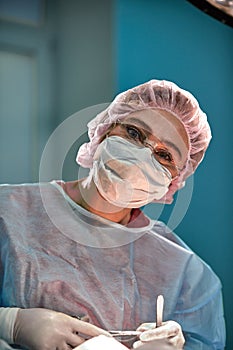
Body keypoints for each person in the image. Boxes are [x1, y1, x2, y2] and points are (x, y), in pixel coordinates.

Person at [0, 79, 225, 350]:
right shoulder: (8, 211)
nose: (140, 155)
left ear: (173, 182)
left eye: (164, 155)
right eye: (133, 132)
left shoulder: (186, 274)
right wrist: (11, 323)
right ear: (104, 131)